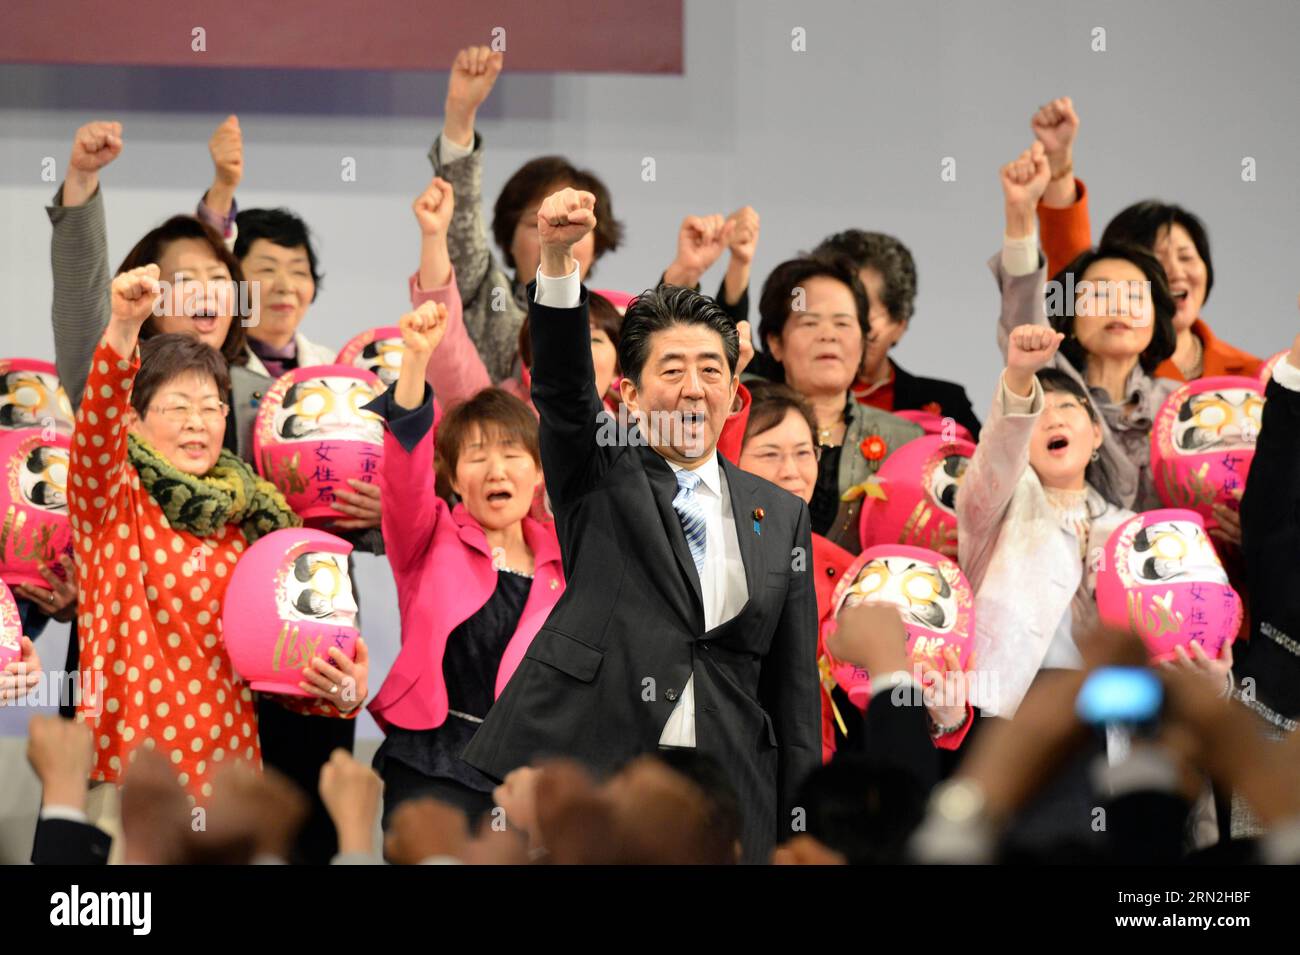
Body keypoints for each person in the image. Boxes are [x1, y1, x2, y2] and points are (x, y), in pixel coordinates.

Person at [460, 187, 820, 864]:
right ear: (628, 392)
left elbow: (793, 695)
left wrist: (798, 829)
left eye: (710, 368)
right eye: (672, 368)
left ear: (733, 387)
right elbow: (564, 390)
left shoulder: (782, 515)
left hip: (731, 790)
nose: (693, 387)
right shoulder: (600, 467)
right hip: (595, 771)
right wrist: (559, 257)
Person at [67, 263, 368, 843]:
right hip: (129, 776)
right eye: (178, 407)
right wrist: (123, 329)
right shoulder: (112, 502)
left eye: (211, 408)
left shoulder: (252, 522)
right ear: (134, 420)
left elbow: (288, 672)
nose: (197, 423)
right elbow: (95, 430)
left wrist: (340, 690)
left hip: (229, 782)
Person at [428, 46, 754, 382]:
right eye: (537, 224)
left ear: (597, 244)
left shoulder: (611, 323)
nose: (557, 234)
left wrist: (686, 270)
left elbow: (651, 343)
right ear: (508, 239)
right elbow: (460, 215)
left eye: (574, 226)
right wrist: (460, 115)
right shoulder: (486, 302)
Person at [364, 300, 565, 828]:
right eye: (476, 457)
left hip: (524, 780)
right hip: (431, 764)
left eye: (512, 454)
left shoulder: (564, 567)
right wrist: (415, 360)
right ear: (453, 479)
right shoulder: (428, 537)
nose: (496, 469)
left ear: (539, 472)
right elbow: (404, 469)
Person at [736, 382, 970, 762]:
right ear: (729, 457)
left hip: (822, 779)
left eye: (803, 452)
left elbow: (892, 695)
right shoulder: (707, 557)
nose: (792, 471)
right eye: (769, 453)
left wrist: (945, 717)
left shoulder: (856, 574)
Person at [994, 140, 1180, 511]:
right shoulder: (1050, 392)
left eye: (1133, 296)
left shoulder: (1180, 407)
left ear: (1155, 321)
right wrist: (1019, 215)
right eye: (1098, 295)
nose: (1118, 308)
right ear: (1069, 319)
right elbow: (1022, 312)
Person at [1030, 96, 1261, 381]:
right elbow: (1069, 260)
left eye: (1187, 257)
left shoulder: (1253, 375)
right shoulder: (1108, 362)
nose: (1175, 272)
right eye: (1157, 260)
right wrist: (1058, 166)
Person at [754, 255, 924, 553]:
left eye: (843, 323)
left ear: (862, 344)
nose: (828, 335)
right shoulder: (742, 427)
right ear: (775, 343)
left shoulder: (905, 442)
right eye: (809, 322)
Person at [813, 230, 981, 438]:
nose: (833, 332)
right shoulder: (773, 393)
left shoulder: (947, 406)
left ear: (899, 323)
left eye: (859, 313)